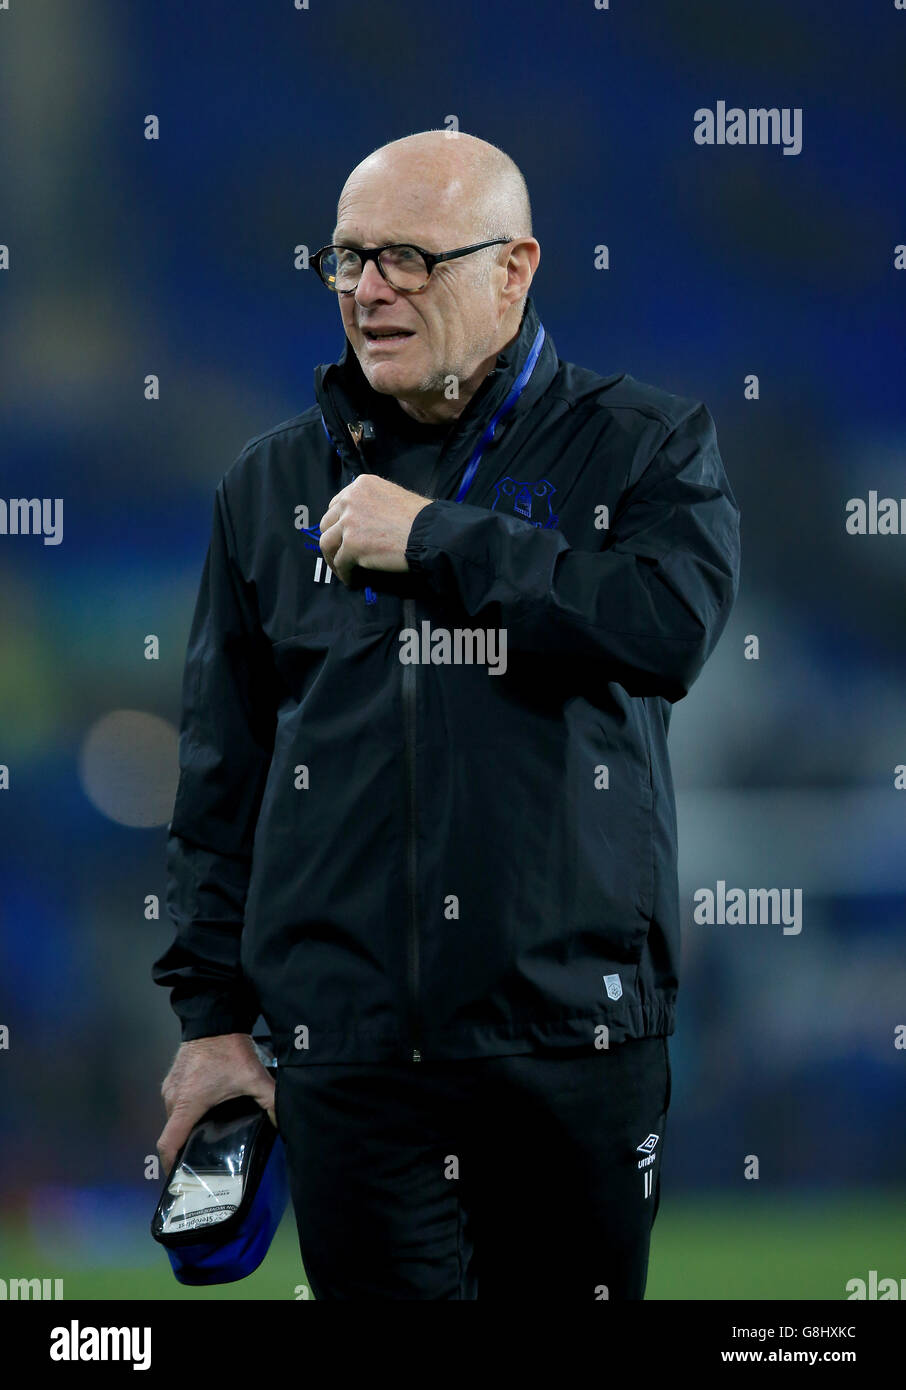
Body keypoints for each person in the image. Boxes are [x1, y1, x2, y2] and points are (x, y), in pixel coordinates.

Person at [153, 129, 741, 1300]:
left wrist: (434, 537)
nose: (370, 290)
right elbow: (224, 776)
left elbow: (665, 625)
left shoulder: (644, 448)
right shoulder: (266, 488)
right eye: (349, 260)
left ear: (514, 268)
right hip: (350, 1061)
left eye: (411, 259)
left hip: (573, 1047)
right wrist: (211, 1019)